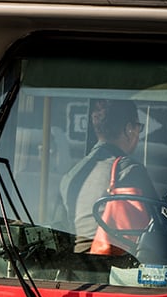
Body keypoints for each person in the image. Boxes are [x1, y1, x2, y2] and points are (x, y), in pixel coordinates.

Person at [59, 99, 158, 255]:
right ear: (129, 129)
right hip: (113, 267)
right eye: (138, 127)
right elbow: (157, 226)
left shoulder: (72, 176)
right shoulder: (129, 170)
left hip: (77, 268)